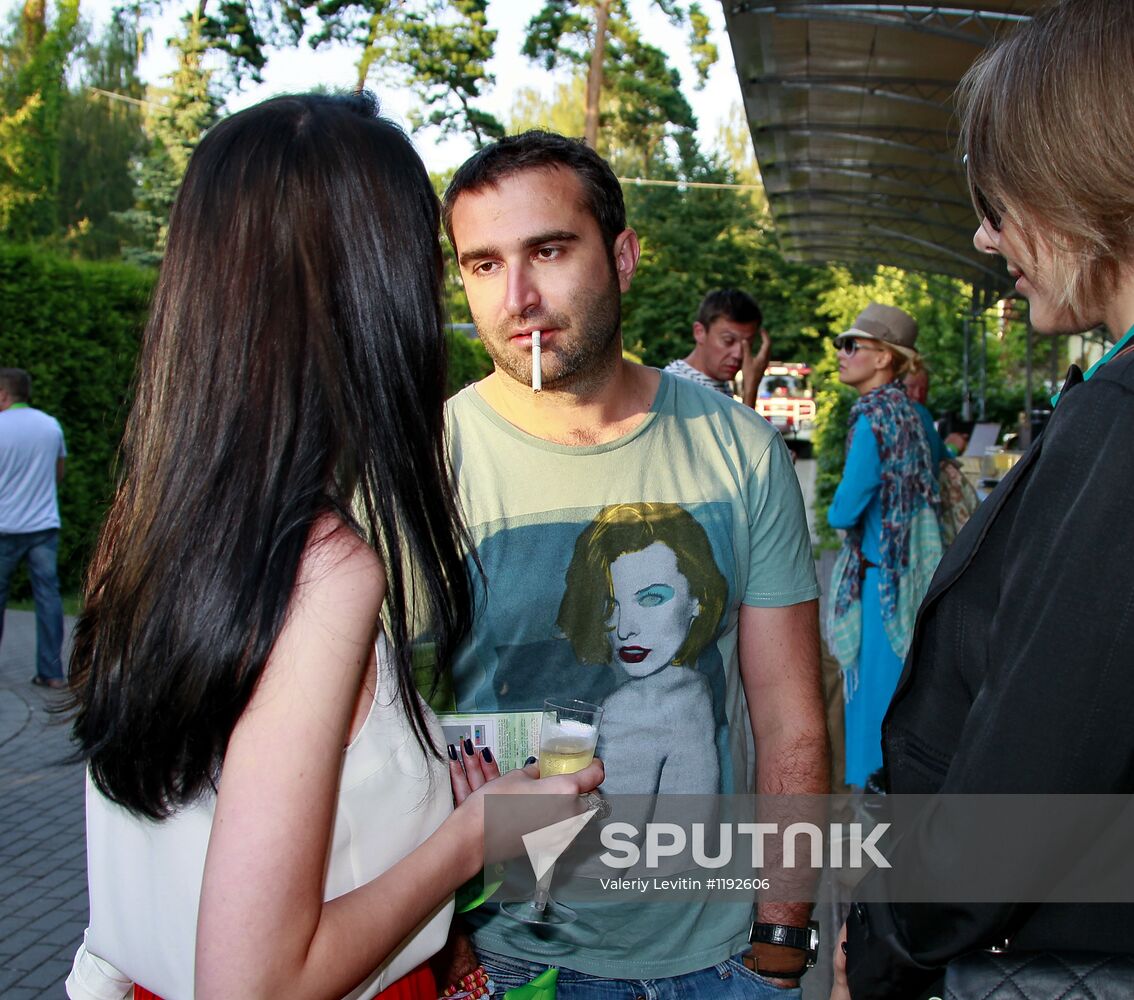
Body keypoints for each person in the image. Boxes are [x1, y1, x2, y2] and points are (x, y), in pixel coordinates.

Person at [64, 94, 601, 1000]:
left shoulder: (148, 524)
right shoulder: (323, 568)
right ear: (373, 292)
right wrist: (475, 837)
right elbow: (256, 982)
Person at [441, 130, 828, 996]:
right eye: (482, 265)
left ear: (621, 256)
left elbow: (791, 716)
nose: (519, 297)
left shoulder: (738, 450)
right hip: (507, 959)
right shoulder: (425, 465)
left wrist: (781, 938)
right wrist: (447, 951)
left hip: (720, 959)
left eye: (548, 250)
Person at [833, 1, 1134, 995]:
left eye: (1000, 202)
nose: (982, 231)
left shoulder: (1119, 424)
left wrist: (885, 932)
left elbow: (1028, 775)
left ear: (1078, 181)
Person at [825, 303, 942, 790]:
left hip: (879, 586)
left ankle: (865, 812)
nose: (841, 353)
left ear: (884, 358)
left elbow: (844, 510)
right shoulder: (912, 413)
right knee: (898, 695)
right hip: (911, 575)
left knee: (867, 699)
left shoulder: (873, 416)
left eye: (853, 345)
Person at [557, 502, 727, 798]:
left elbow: (608, 833)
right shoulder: (695, 690)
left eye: (650, 599)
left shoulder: (634, 706)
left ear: (697, 597)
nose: (624, 629)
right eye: (611, 605)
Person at [0, 367, 67, 690]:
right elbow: (58, 473)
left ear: (3, 394)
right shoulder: (50, 426)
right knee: (48, 598)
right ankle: (52, 672)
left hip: (4, 526)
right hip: (43, 527)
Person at [664, 288, 771, 407]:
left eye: (748, 345)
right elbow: (741, 426)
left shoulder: (719, 385)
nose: (739, 354)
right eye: (728, 341)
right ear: (699, 332)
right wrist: (751, 387)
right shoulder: (677, 389)